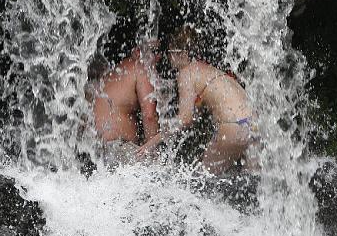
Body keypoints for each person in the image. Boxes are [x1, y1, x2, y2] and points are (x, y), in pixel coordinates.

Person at [136, 25, 255, 175]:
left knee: (202, 179)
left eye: (169, 53)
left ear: (181, 54)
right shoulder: (206, 69)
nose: (168, 58)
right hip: (254, 123)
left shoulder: (186, 73)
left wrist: (152, 143)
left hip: (234, 126)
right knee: (251, 185)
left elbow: (185, 119)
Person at [83, 42, 160, 165]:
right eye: (153, 52)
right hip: (118, 150)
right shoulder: (142, 67)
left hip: (94, 149)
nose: (157, 57)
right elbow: (149, 115)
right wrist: (154, 155)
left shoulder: (115, 70)